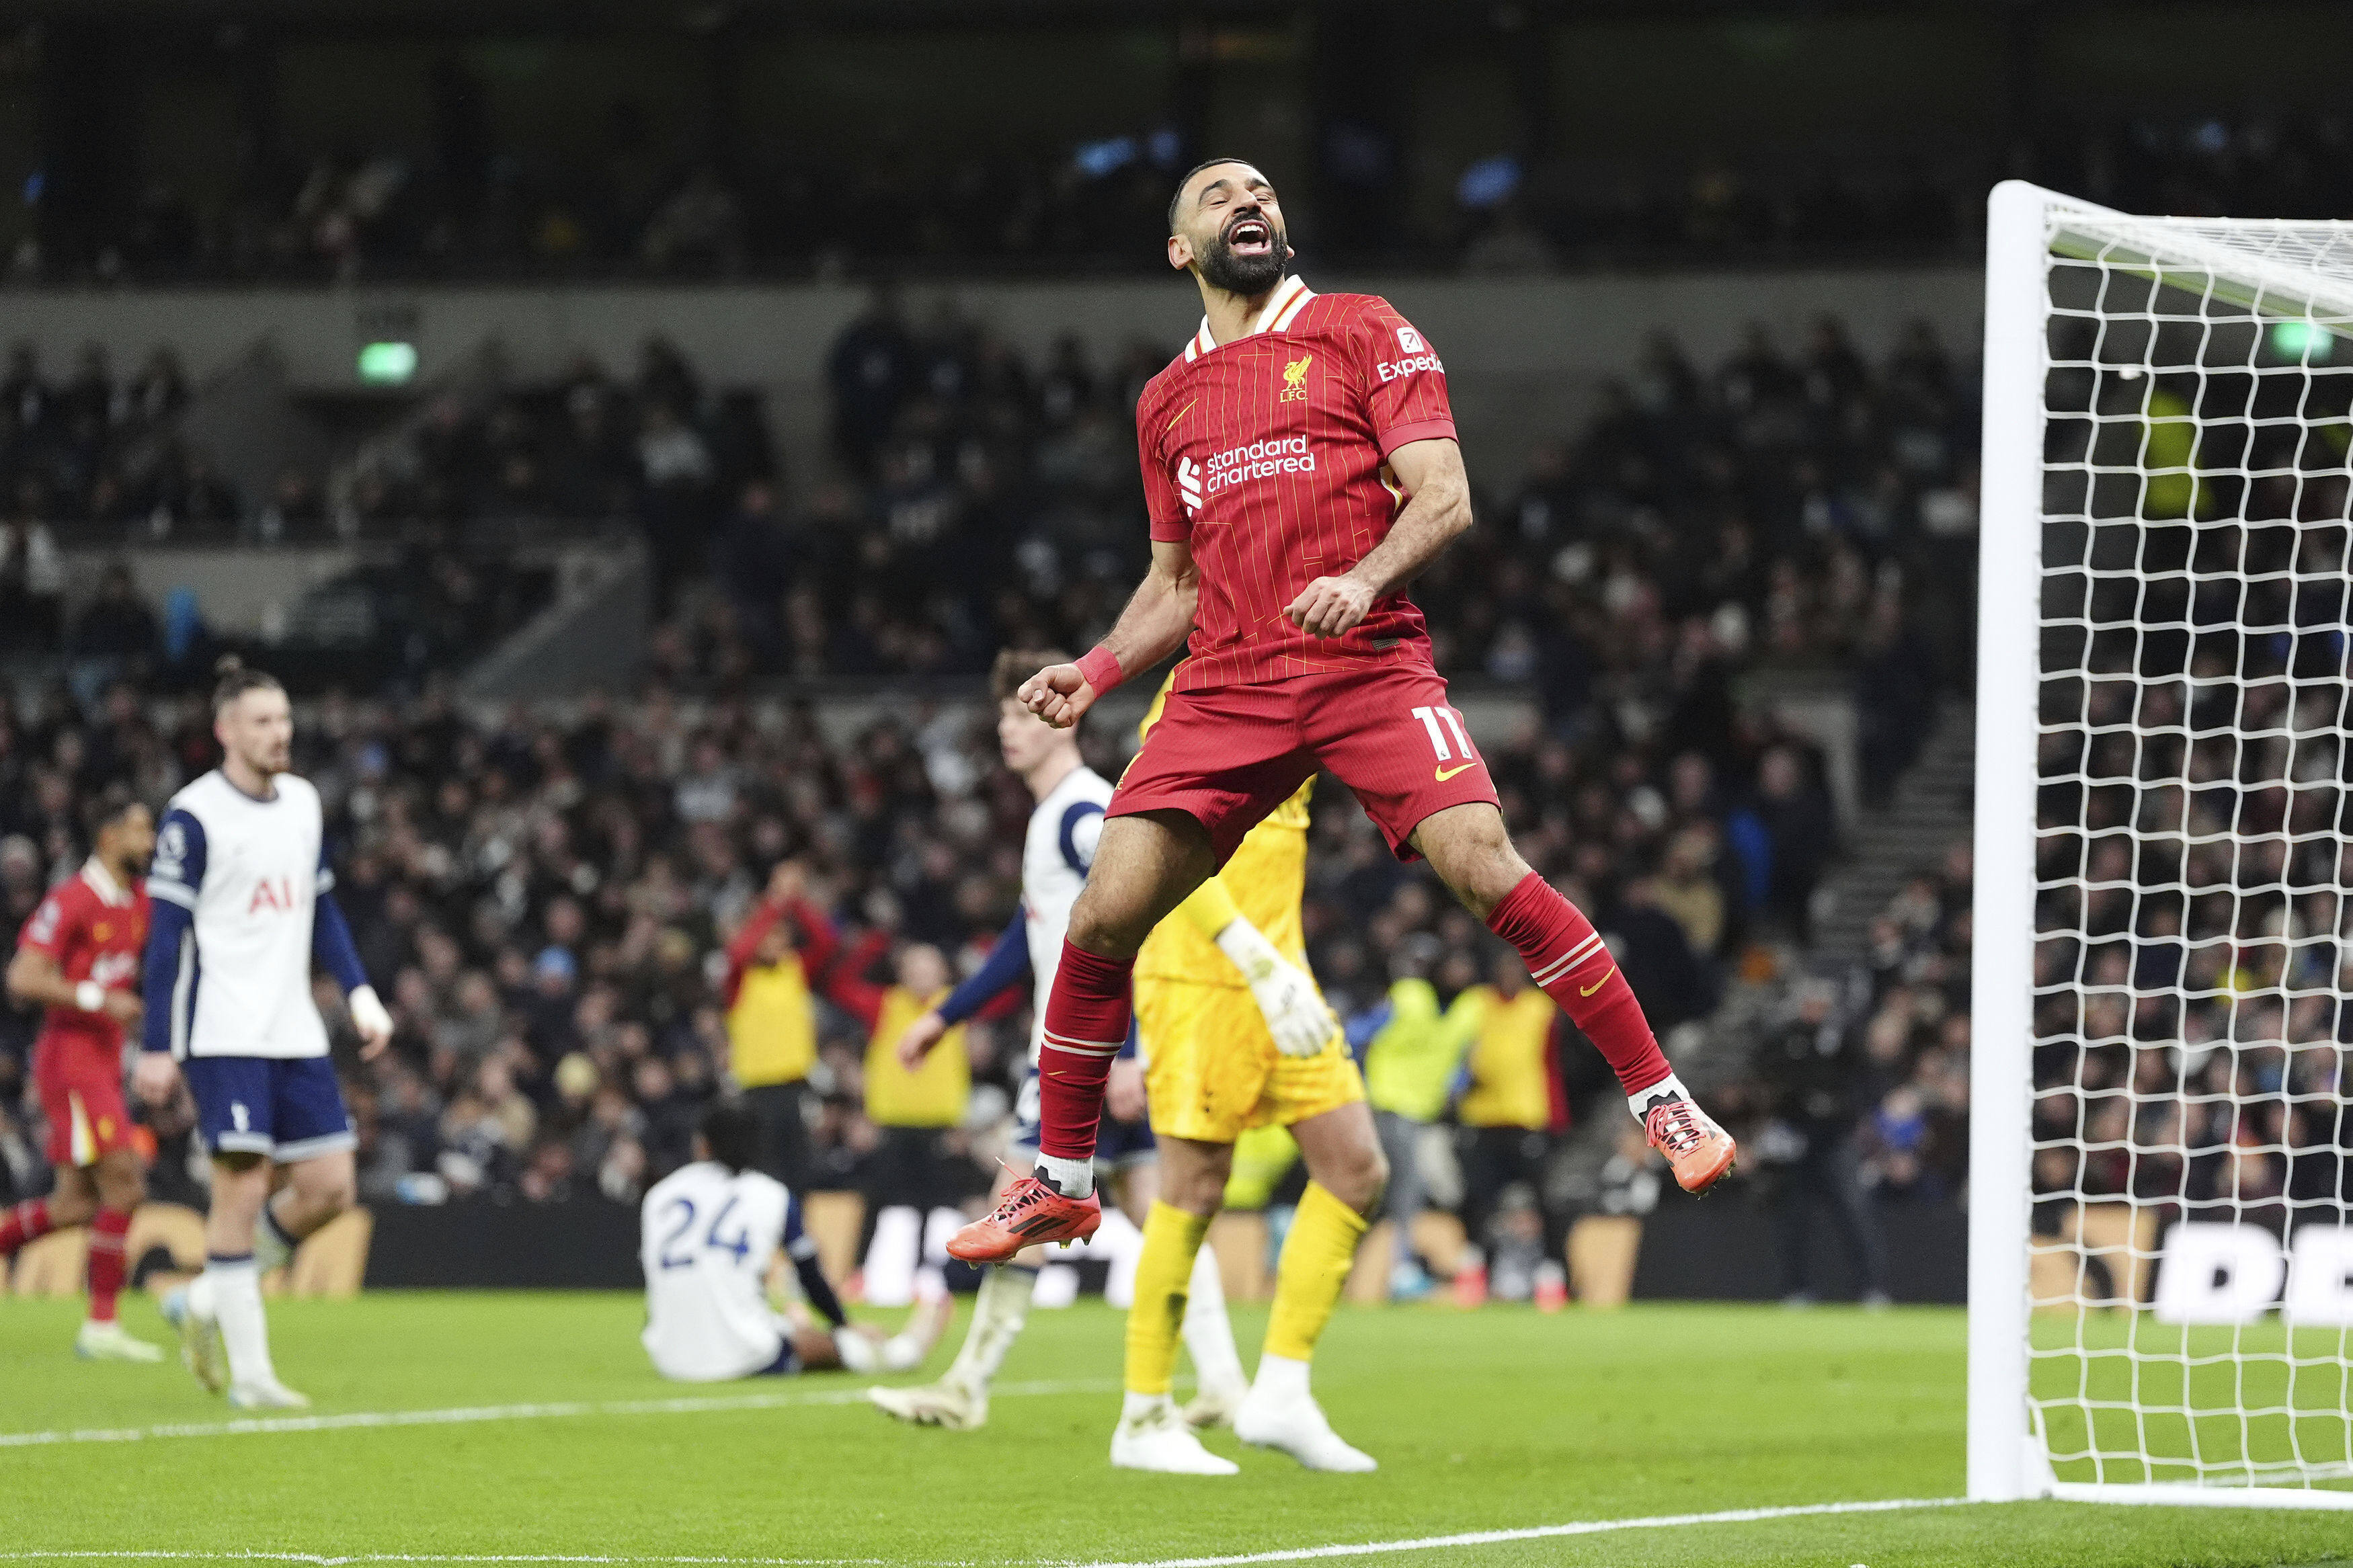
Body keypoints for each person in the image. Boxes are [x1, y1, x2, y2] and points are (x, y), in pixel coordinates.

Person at [951, 158, 1734, 1267]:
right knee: (1100, 918)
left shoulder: (1363, 329)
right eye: (1220, 197)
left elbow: (1446, 494)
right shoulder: (1166, 401)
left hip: (1367, 666)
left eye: (1263, 191)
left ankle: (1664, 1100)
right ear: (1180, 250)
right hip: (1226, 686)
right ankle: (1064, 1181)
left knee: (1487, 866)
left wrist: (1365, 579)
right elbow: (1174, 582)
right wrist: (1095, 669)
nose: (1251, 204)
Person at [874, 650, 1293, 1449]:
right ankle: (1224, 1383)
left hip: (1081, 1060)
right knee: (1160, 1213)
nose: (1005, 728)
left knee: (1020, 1206)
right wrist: (948, 1015)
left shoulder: (1081, 812)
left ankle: (966, 1384)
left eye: (1017, 714)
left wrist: (1127, 1050)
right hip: (1101, 1056)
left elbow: (1131, 926)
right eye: (1000, 715)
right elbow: (1030, 935)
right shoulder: (1059, 815)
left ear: (1059, 719)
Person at [1112, 670, 1380, 1472]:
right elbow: (1160, 837)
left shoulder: (1294, 673)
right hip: (1204, 976)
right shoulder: (1197, 686)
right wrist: (1251, 960)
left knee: (1356, 1167)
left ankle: (1282, 1392)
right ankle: (1143, 1413)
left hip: (1278, 974)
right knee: (1192, 1189)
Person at [135, 659, 397, 1410]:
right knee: (242, 1189)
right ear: (225, 730)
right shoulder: (194, 817)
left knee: (330, 1187)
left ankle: (210, 1299)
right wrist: (159, 1044)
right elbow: (166, 942)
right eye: (262, 721)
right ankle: (251, 1375)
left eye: (283, 719)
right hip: (223, 1033)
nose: (279, 733)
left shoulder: (304, 803)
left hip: (295, 1030)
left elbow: (323, 909)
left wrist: (361, 993)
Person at [0, 790, 161, 1360]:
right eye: (141, 830)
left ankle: (100, 1324)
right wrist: (97, 998)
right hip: (70, 1061)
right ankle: (101, 1325)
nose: (151, 841)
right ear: (108, 836)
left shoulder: (138, 901)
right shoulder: (73, 899)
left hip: (102, 1062)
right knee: (126, 1182)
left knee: (74, 1206)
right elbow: (22, 976)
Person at [641, 1100, 950, 1382]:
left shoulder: (660, 1195)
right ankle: (903, 1352)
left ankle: (788, 1324)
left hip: (668, 1356)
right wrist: (842, 1323)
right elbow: (809, 1274)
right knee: (825, 1346)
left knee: (778, 1321)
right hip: (739, 1353)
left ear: (702, 1144)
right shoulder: (769, 1194)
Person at [720, 861, 833, 1188]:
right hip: (756, 1088)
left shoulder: (795, 968)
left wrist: (796, 901)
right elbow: (739, 953)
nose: (772, 941)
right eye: (765, 936)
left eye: (779, 935)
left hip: (796, 1083)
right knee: (763, 1170)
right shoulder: (740, 978)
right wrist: (776, 902)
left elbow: (826, 942)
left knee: (801, 1168)